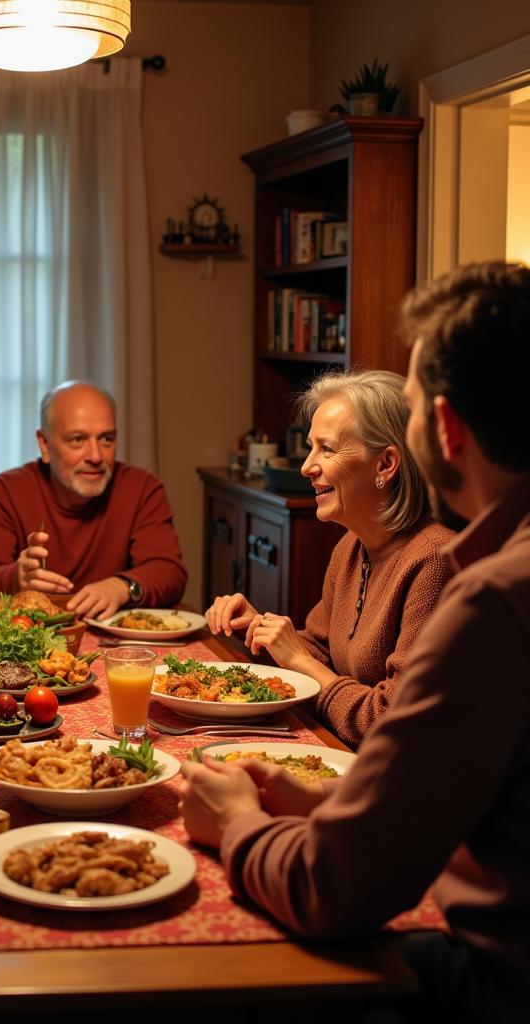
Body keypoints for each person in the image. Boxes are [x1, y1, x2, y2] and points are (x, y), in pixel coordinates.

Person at [180, 262, 530, 1021]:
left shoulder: (492, 597)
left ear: (444, 428)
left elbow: (335, 889)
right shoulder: (470, 568)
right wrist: (325, 798)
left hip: (499, 985)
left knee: (232, 979)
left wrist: (236, 823)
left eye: (408, 408)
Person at [205, 369, 454, 747]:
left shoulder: (433, 561)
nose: (307, 466)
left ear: (385, 464)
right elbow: (322, 654)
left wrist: (300, 661)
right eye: (310, 447)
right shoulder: (351, 547)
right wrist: (259, 632)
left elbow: (390, 721)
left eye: (328, 448)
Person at [0, 380, 186, 620]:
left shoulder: (141, 488)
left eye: (106, 439)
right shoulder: (7, 491)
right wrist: (15, 579)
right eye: (78, 440)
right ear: (44, 444)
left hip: (117, 645)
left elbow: (170, 573)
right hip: (31, 639)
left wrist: (123, 586)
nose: (96, 456)